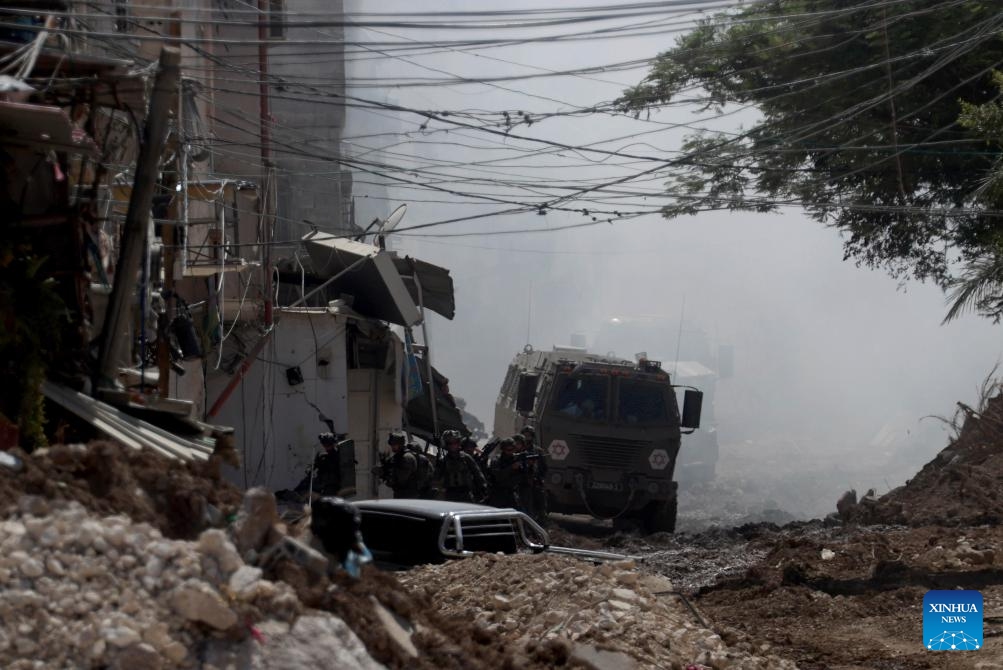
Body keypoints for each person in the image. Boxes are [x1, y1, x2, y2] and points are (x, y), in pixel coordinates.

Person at [436, 430, 487, 502]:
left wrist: (483, 487)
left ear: (458, 442)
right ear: (446, 444)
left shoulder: (466, 457)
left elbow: (477, 473)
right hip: (450, 494)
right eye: (450, 443)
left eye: (455, 442)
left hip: (466, 494)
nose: (453, 445)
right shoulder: (443, 460)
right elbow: (436, 478)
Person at [295, 433, 343, 498]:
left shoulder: (337, 454)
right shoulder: (321, 455)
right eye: (325, 444)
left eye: (328, 445)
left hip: (332, 483)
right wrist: (310, 469)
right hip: (321, 481)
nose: (326, 447)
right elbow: (315, 464)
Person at [521, 425, 549, 523]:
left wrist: (540, 479)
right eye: (525, 435)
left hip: (536, 483)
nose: (527, 438)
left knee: (540, 506)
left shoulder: (538, 451)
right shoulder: (519, 450)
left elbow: (544, 468)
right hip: (522, 483)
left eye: (529, 435)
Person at [487, 437, 520, 508]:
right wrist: (511, 468)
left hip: (512, 493)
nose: (511, 452)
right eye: (508, 450)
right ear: (503, 450)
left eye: (513, 449)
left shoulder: (515, 458)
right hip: (498, 494)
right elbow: (498, 476)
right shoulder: (496, 460)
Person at [385, 431, 420, 498]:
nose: (392, 447)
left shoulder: (407, 457)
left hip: (408, 496)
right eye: (392, 445)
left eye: (394, 445)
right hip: (401, 494)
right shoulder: (398, 457)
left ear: (400, 444)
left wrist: (388, 476)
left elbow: (402, 479)